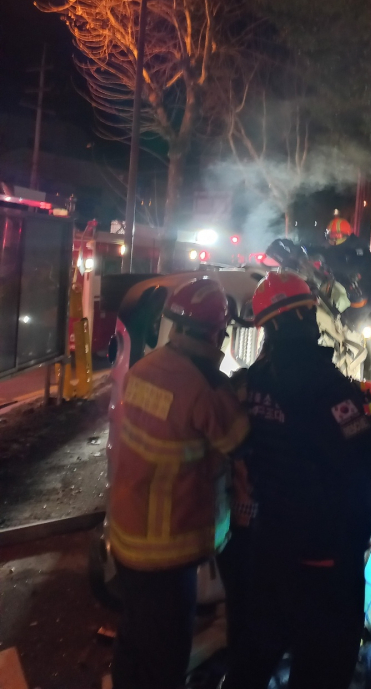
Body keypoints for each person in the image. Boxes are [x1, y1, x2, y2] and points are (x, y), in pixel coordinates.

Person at [222, 271, 371, 689]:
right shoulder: (321, 384)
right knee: (324, 666)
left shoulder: (256, 379)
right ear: (301, 315)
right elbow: (359, 454)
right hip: (323, 557)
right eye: (308, 311)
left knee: (254, 658)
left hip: (270, 544)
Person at [108, 277, 250, 689]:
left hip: (127, 537)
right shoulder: (204, 388)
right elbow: (239, 440)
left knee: (134, 641)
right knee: (165, 658)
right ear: (215, 332)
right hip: (167, 553)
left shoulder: (145, 369)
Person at [317, 217, 371, 355]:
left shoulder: (359, 249)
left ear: (346, 235)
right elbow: (321, 253)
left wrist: (353, 274)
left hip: (367, 289)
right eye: (331, 236)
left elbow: (358, 266)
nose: (333, 239)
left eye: (337, 236)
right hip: (346, 294)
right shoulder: (333, 250)